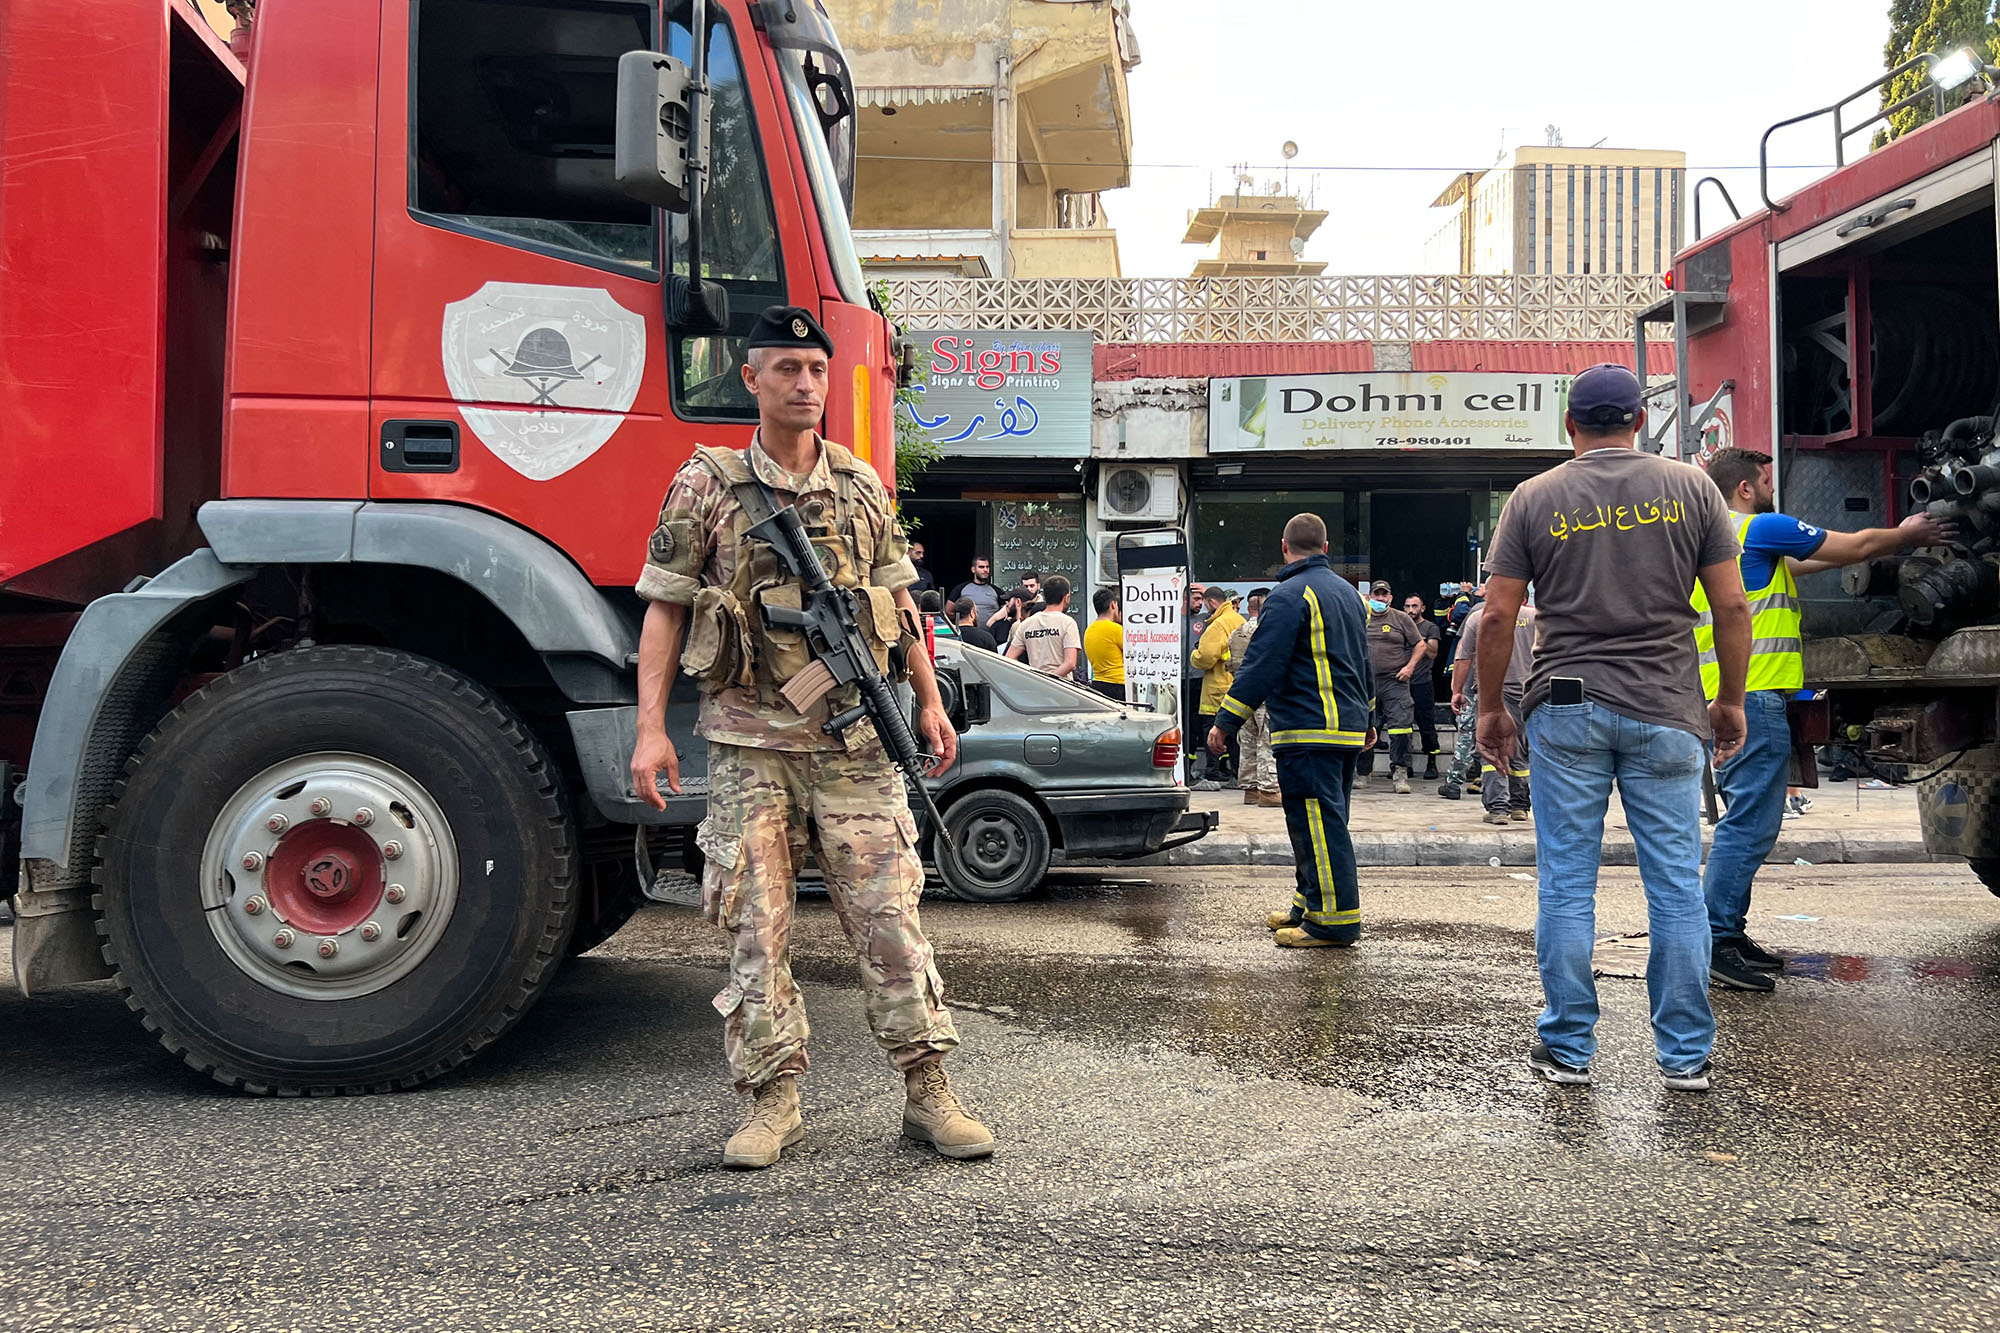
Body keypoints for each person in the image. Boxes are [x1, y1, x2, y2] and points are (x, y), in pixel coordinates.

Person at [629, 305, 992, 1166]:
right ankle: (773, 1099)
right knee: (757, 928)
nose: (803, 383)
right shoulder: (706, 485)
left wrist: (928, 704)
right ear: (750, 379)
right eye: (785, 369)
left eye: (816, 370)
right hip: (752, 749)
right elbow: (665, 608)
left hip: (858, 747)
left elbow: (901, 606)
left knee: (891, 922)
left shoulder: (861, 485)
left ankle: (928, 1090)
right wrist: (650, 729)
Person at [1477, 362, 1751, 1094]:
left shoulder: (1534, 497)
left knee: (1567, 884)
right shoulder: (1693, 488)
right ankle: (1685, 1054)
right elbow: (1731, 607)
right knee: (1675, 888)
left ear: (1570, 426)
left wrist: (1490, 709)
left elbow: (1500, 613)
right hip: (1667, 703)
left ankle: (1568, 1047)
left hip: (1565, 702)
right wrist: (1731, 698)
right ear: (1638, 421)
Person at [1695, 447, 1954, 992]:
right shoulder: (1760, 527)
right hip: (1752, 698)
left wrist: (1883, 544)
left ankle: (1726, 933)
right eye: (1764, 480)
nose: (1771, 488)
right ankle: (1715, 939)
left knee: (1750, 823)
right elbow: (1852, 544)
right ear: (1745, 488)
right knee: (1751, 825)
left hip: (1731, 695)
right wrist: (1909, 534)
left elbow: (1818, 560)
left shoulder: (1718, 542)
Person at [1208, 514, 1374, 947]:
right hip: (1344, 729)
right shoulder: (1351, 596)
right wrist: (1369, 719)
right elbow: (1362, 664)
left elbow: (1263, 664)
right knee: (1317, 824)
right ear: (1326, 545)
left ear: (1284, 547)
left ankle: (1333, 923)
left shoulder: (1288, 596)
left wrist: (1226, 720)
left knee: (1318, 826)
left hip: (1308, 728)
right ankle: (1309, 904)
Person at [1457, 599, 1537, 826]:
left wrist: (1457, 691)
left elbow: (1463, 658)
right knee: (1520, 750)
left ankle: (1498, 808)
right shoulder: (1534, 618)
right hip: (1528, 693)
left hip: (1493, 695)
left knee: (1493, 749)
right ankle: (1519, 806)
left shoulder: (1479, 618)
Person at [1356, 579, 1423, 793]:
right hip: (1365, 683)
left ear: (1390, 598)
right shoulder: (1359, 617)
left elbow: (1420, 645)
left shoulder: (1401, 618)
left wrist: (1410, 667)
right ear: (1370, 596)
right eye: (1377, 594)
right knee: (1363, 726)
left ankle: (1400, 774)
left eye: (1384, 595)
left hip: (1395, 681)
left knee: (1401, 727)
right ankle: (1363, 773)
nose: (1380, 598)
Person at [1190, 586, 1245, 788]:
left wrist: (1193, 656)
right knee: (1235, 736)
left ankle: (1212, 776)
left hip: (1216, 689)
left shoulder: (1217, 625)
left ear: (1212, 602)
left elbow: (1205, 657)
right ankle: (1238, 775)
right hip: (1236, 687)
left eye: (1206, 603)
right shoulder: (1239, 620)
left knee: (1211, 732)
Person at [1229, 589, 1280, 806]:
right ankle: (1269, 790)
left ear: (1249, 608)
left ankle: (1250, 789)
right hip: (1266, 693)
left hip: (1240, 694)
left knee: (1247, 741)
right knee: (1267, 740)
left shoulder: (1237, 632)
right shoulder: (1268, 632)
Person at [1005, 574, 1082, 677]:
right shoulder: (1068, 623)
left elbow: (1009, 658)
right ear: (1066, 597)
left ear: (1045, 596)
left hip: (1035, 687)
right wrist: (1048, 679)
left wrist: (1031, 677)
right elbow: (1070, 663)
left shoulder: (1027, 624)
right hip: (1062, 688)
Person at [1403, 593, 1444, 780]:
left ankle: (1432, 763)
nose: (1410, 610)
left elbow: (1433, 653)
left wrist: (1417, 637)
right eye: (1407, 606)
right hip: (1401, 683)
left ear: (1422, 608)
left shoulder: (1430, 627)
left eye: (1414, 606)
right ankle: (1403, 765)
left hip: (1422, 683)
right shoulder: (1400, 624)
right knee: (1402, 726)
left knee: (1426, 725)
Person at [1085, 587, 1126, 701]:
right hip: (1118, 685)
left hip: (1097, 684)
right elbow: (1133, 653)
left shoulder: (1089, 630)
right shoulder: (1115, 629)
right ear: (1113, 605)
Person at [950, 557, 1001, 624]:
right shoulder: (961, 589)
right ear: (973, 569)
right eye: (981, 567)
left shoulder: (996, 591)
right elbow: (949, 611)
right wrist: (964, 620)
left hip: (991, 634)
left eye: (987, 567)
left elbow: (1007, 610)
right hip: (968, 633)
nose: (985, 570)